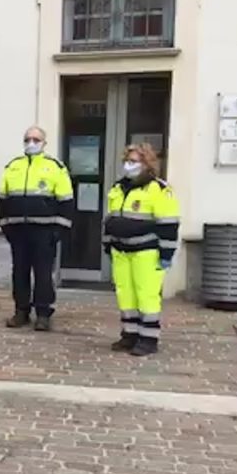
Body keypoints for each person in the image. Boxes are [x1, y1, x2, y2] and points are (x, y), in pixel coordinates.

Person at [103, 143, 179, 357]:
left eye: (134, 161)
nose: (129, 165)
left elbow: (169, 224)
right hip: (121, 251)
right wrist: (108, 243)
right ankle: (130, 334)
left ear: (147, 164)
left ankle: (148, 338)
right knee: (125, 295)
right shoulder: (118, 188)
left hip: (146, 251)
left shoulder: (159, 189)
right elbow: (110, 219)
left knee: (146, 295)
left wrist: (166, 254)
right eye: (127, 161)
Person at [0, 126, 74, 332]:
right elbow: (2, 200)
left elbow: (66, 201)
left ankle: (43, 313)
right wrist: (5, 226)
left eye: (36, 139)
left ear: (44, 143)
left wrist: (59, 230)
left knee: (42, 273)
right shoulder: (13, 166)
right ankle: (21, 311)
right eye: (27, 139)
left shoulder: (55, 167)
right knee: (19, 272)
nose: (31, 143)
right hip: (18, 230)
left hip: (44, 231)